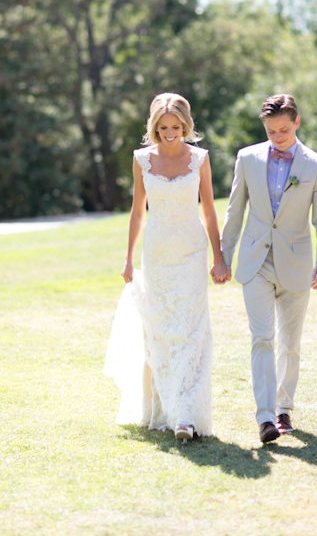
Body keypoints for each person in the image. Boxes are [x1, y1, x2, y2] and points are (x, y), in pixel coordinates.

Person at [104, 93, 228, 440]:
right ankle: (164, 407)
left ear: (186, 126)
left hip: (191, 253)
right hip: (156, 255)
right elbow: (137, 211)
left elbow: (209, 210)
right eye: (163, 127)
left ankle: (186, 416)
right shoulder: (142, 160)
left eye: (176, 126)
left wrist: (218, 257)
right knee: (159, 330)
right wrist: (128, 258)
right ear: (154, 127)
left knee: (190, 332)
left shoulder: (200, 159)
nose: (170, 133)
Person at [219, 94, 317, 444]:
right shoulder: (247, 158)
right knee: (262, 338)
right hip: (255, 262)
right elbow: (234, 211)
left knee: (291, 343)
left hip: (297, 264)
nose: (277, 136)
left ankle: (285, 406)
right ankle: (266, 418)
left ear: (297, 122)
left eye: (283, 130)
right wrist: (224, 256)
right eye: (270, 131)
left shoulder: (316, 165)